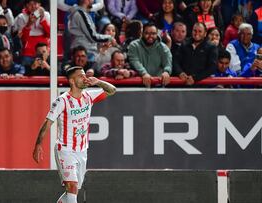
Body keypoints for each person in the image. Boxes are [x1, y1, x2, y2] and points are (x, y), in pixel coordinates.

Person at [32, 65, 116, 203]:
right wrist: (38, 145)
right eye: (80, 76)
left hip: (82, 150)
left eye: (84, 75)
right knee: (72, 186)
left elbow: (112, 90)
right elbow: (48, 122)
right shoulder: (62, 100)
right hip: (65, 149)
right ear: (71, 81)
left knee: (73, 190)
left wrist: (98, 82)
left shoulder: (89, 96)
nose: (85, 78)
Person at [127, 22, 172, 87]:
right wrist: (144, 73)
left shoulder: (164, 48)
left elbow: (168, 63)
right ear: (142, 33)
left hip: (158, 86)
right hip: (138, 85)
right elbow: (134, 61)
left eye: (153, 33)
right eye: (147, 33)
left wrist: (166, 72)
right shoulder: (134, 45)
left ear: (157, 34)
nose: (150, 36)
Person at [13, 0, 50, 67]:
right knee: (27, 73)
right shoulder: (21, 16)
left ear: (39, 4)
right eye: (30, 4)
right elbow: (23, 38)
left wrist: (42, 20)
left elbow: (50, 34)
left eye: (35, 4)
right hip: (28, 53)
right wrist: (29, 23)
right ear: (26, 6)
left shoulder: (46, 14)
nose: (33, 7)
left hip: (43, 51)